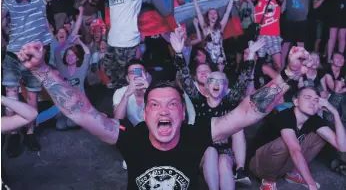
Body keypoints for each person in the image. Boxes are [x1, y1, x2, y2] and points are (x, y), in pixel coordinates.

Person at [16, 40, 313, 190]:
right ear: (145, 113)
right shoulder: (129, 137)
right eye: (155, 105)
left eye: (172, 104)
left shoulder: (197, 134)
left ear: (183, 113)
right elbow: (80, 111)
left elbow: (248, 111)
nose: (164, 110)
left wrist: (289, 74)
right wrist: (41, 69)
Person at [171, 31, 264, 189]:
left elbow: (242, 81)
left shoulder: (229, 102)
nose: (216, 84)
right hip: (202, 150)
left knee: (224, 164)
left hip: (224, 150)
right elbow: (186, 79)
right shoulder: (198, 100)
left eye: (220, 81)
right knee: (211, 152)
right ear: (206, 86)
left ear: (225, 86)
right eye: (211, 80)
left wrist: (251, 55)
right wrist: (179, 53)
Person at [1, 0, 65, 156]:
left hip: (35, 56)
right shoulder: (8, 2)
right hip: (13, 56)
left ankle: (29, 133)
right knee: (11, 95)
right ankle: (12, 134)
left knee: (32, 96)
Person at [89, 0, 170, 90]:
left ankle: (138, 102)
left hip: (128, 44)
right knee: (113, 78)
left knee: (132, 82)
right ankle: (122, 103)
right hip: (112, 42)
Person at [249, 87, 346, 190]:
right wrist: (312, 185)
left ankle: (293, 174)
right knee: (285, 143)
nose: (313, 102)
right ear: (296, 101)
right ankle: (268, 182)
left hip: (281, 165)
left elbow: (342, 147)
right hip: (259, 165)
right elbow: (295, 151)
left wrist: (335, 113)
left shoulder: (314, 119)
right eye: (307, 97)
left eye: (316, 99)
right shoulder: (285, 116)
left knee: (320, 137)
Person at [282, 0, 333, 66]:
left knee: (301, 44)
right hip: (289, 20)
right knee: (286, 43)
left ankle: (299, 65)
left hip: (302, 21)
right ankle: (280, 65)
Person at [247, 0, 286, 71]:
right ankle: (257, 84)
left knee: (279, 66)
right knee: (258, 65)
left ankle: (281, 86)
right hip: (261, 37)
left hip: (274, 36)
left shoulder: (277, 0)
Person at [191, 0, 235, 72]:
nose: (213, 15)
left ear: (217, 15)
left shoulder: (220, 26)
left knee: (219, 77)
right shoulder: (205, 28)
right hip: (209, 58)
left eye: (214, 13)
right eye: (210, 13)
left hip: (220, 58)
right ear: (207, 16)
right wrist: (194, 0)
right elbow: (198, 13)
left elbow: (227, 12)